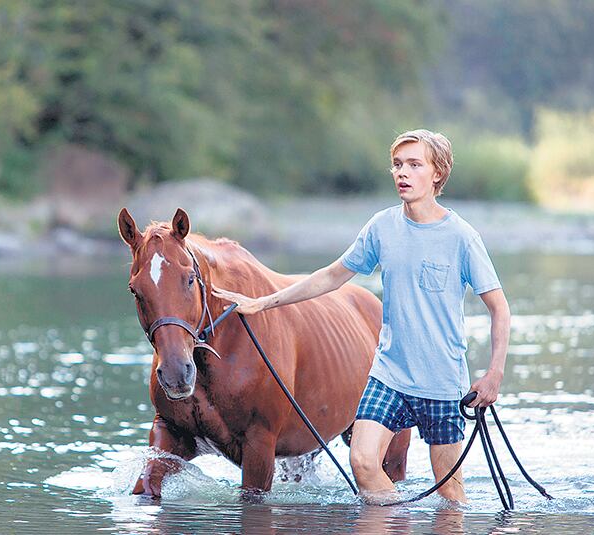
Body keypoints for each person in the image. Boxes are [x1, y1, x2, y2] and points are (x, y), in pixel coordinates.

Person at [212, 129, 510, 504]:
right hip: (390, 375)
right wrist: (265, 302)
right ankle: (398, 523)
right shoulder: (382, 227)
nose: (402, 173)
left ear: (437, 174)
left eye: (414, 165)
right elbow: (332, 275)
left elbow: (499, 308)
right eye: (398, 165)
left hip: (443, 381)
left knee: (451, 493)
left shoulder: (463, 237)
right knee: (364, 462)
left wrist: (494, 374)